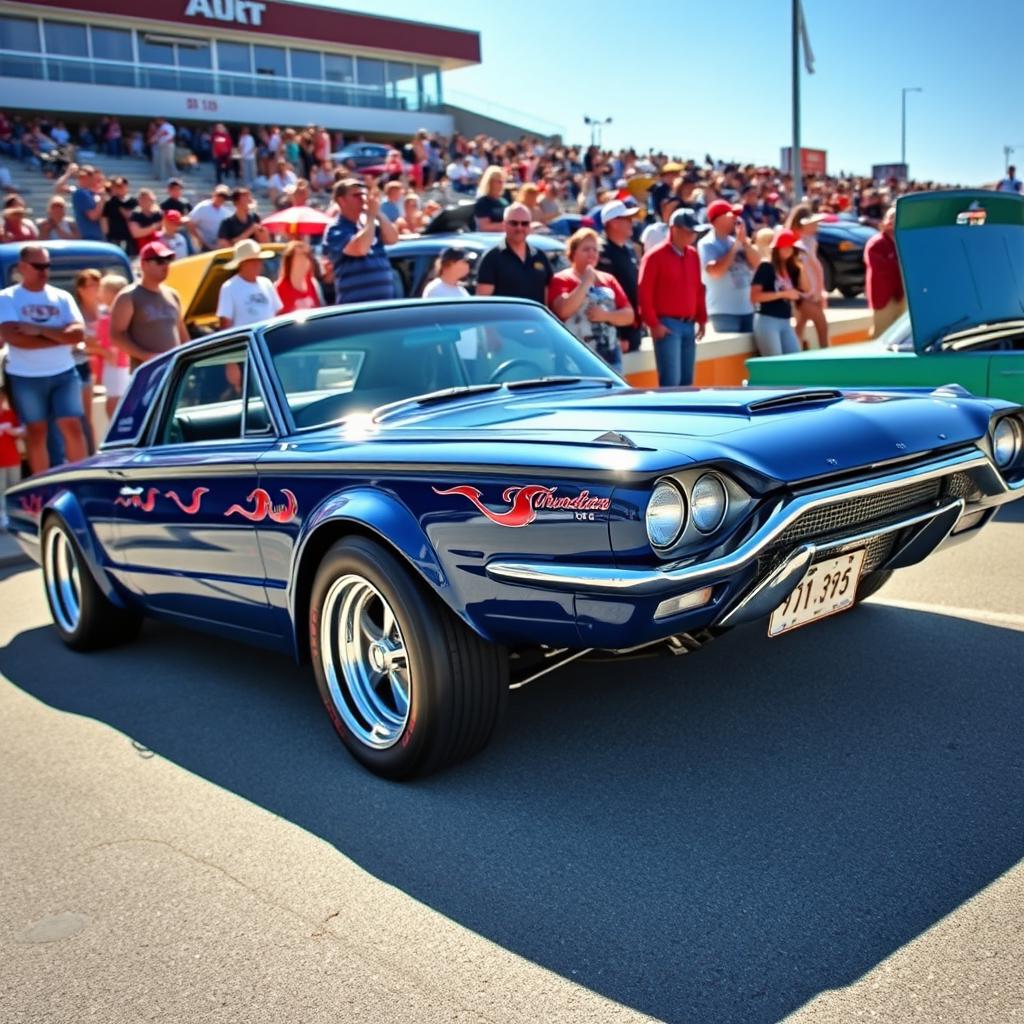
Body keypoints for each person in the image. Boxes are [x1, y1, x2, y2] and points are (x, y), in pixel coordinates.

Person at [0, 245, 87, 473]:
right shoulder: (7, 298)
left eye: (47, 266)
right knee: (36, 433)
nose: (44, 271)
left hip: (64, 372)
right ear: (22, 267)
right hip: (26, 377)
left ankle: (80, 480)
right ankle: (42, 488)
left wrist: (39, 330)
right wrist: (60, 336)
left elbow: (78, 334)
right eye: (38, 266)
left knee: (72, 426)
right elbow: (14, 338)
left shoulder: (62, 296)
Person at [638, 208, 707, 387]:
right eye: (689, 231)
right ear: (674, 229)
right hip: (667, 324)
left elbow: (698, 288)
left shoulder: (693, 255)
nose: (692, 235)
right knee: (671, 383)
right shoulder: (654, 256)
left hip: (688, 324)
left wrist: (702, 318)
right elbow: (644, 293)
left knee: (686, 382)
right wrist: (654, 324)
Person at [547, 228, 633, 372]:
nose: (592, 253)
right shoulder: (561, 279)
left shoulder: (608, 279)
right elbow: (562, 310)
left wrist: (606, 316)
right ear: (573, 253)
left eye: (595, 249)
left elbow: (629, 315)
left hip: (610, 358)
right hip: (575, 359)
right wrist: (585, 282)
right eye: (586, 249)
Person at [108, 240, 187, 367]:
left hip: (173, 370)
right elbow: (116, 336)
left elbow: (183, 336)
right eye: (160, 261)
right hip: (146, 371)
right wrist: (147, 357)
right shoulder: (128, 296)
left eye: (168, 260)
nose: (166, 265)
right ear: (144, 264)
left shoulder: (173, 295)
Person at [323, 178, 399, 304]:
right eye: (356, 196)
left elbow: (393, 239)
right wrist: (370, 217)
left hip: (383, 303)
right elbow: (360, 249)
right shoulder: (336, 229)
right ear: (341, 201)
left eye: (363, 195)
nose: (362, 199)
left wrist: (378, 213)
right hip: (356, 307)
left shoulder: (369, 224)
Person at [697, 199, 759, 334]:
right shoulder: (707, 243)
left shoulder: (736, 240)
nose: (736, 219)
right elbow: (715, 272)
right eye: (732, 216)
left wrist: (745, 243)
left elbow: (757, 265)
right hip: (724, 312)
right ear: (717, 219)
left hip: (747, 309)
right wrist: (736, 246)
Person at [475, 203, 553, 303]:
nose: (519, 228)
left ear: (530, 226)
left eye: (524, 223)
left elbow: (546, 300)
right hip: (506, 318)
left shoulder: (540, 257)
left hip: (533, 318)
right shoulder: (492, 258)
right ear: (504, 225)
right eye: (514, 223)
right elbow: (482, 303)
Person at [750, 228, 807, 357]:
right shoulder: (766, 267)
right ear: (776, 249)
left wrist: (801, 265)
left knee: (795, 359)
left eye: (790, 247)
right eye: (783, 247)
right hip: (767, 320)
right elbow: (754, 296)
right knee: (774, 362)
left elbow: (805, 289)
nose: (788, 250)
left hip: (785, 320)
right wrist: (782, 294)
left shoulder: (791, 268)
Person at [597, 199, 643, 353]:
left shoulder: (628, 250)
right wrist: (619, 335)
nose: (632, 223)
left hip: (633, 329)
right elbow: (604, 298)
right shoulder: (602, 253)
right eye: (627, 219)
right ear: (613, 223)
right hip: (616, 335)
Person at [786, 205, 829, 348]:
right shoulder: (797, 246)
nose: (816, 225)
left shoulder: (810, 241)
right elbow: (807, 271)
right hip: (802, 294)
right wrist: (813, 292)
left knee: (801, 324)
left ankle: (797, 353)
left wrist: (818, 291)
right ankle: (825, 355)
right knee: (820, 323)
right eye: (812, 222)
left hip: (811, 292)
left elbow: (815, 270)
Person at [73, 268, 106, 453]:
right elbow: (76, 342)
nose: (96, 289)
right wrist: (97, 348)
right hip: (84, 367)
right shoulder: (75, 313)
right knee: (81, 415)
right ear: (81, 289)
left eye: (97, 285)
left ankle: (93, 453)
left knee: (91, 416)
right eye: (91, 285)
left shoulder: (105, 311)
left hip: (107, 368)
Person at [216, 239, 283, 329]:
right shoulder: (229, 287)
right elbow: (225, 323)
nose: (259, 264)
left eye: (259, 260)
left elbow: (277, 312)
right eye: (253, 260)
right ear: (242, 263)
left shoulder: (266, 283)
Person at [864, 207, 906, 337]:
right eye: (891, 217)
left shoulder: (903, 242)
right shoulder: (876, 244)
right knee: (881, 333)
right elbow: (880, 267)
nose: (894, 220)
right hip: (884, 297)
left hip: (901, 295)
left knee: (900, 335)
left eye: (897, 217)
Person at [95, 273, 131, 417]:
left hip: (118, 364)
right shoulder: (107, 313)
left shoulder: (117, 314)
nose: (99, 293)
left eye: (103, 289)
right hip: (113, 363)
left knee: (115, 402)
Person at [0, 380, 25, 529]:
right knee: (1, 488)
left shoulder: (10, 415)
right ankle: (3, 515)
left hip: (13, 459)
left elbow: (22, 431)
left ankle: (15, 514)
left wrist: (15, 432)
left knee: (15, 486)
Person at [275, 240, 323, 314]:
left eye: (307, 255)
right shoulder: (278, 288)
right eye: (300, 255)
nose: (304, 259)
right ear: (289, 261)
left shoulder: (314, 284)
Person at [188, 185, 231, 252]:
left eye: (224, 197)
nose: (221, 198)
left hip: (218, 247)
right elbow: (190, 224)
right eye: (219, 195)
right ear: (214, 194)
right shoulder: (203, 207)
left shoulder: (226, 212)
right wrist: (201, 241)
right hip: (203, 246)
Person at [101, 176, 135, 253]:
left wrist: (118, 203)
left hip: (128, 237)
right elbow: (104, 219)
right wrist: (106, 236)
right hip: (113, 237)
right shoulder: (109, 203)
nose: (118, 189)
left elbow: (128, 216)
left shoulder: (132, 201)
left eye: (120, 186)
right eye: (115, 187)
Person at [71, 165, 105, 242]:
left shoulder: (91, 194)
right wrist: (102, 198)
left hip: (98, 237)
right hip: (90, 238)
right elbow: (93, 216)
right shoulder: (81, 193)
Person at [474, 167, 508, 231]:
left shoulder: (504, 202)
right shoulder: (482, 203)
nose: (502, 184)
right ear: (490, 182)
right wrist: (507, 226)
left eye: (503, 181)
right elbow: (484, 227)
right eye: (499, 181)